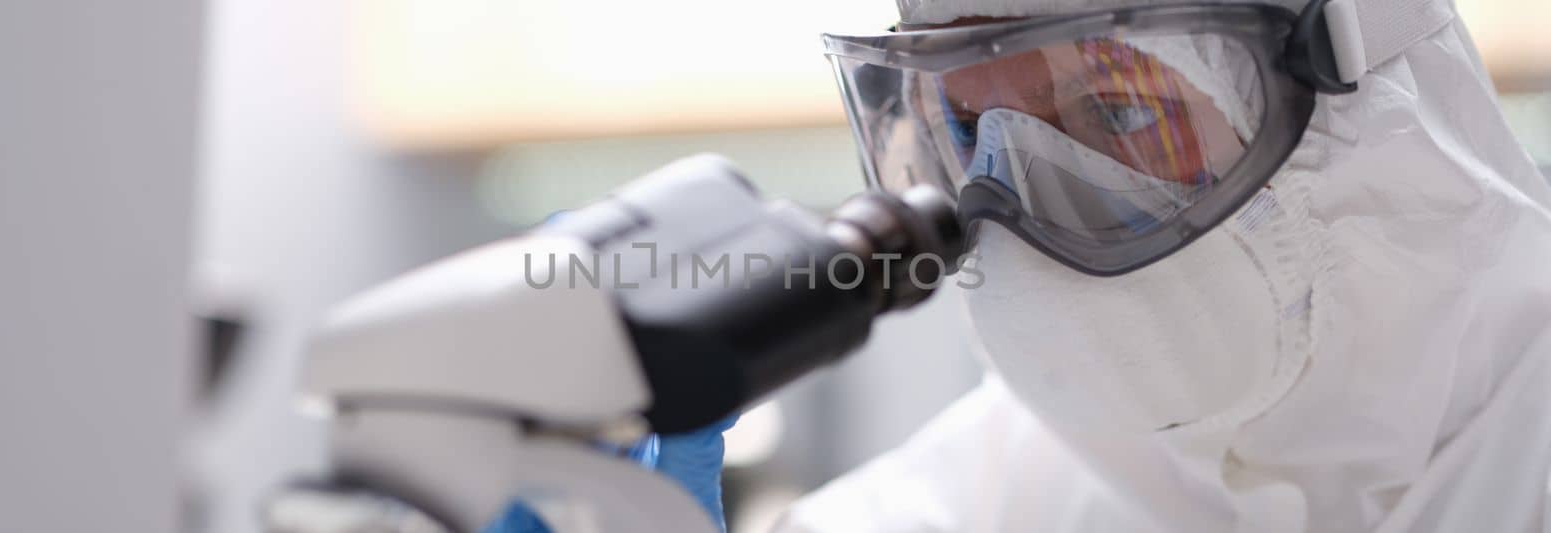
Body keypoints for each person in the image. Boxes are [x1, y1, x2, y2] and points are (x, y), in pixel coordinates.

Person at [501, 0, 1551, 530]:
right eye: (966, 127)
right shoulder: (1043, 466)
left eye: (1118, 110)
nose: (1010, 201)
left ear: (1356, 103)